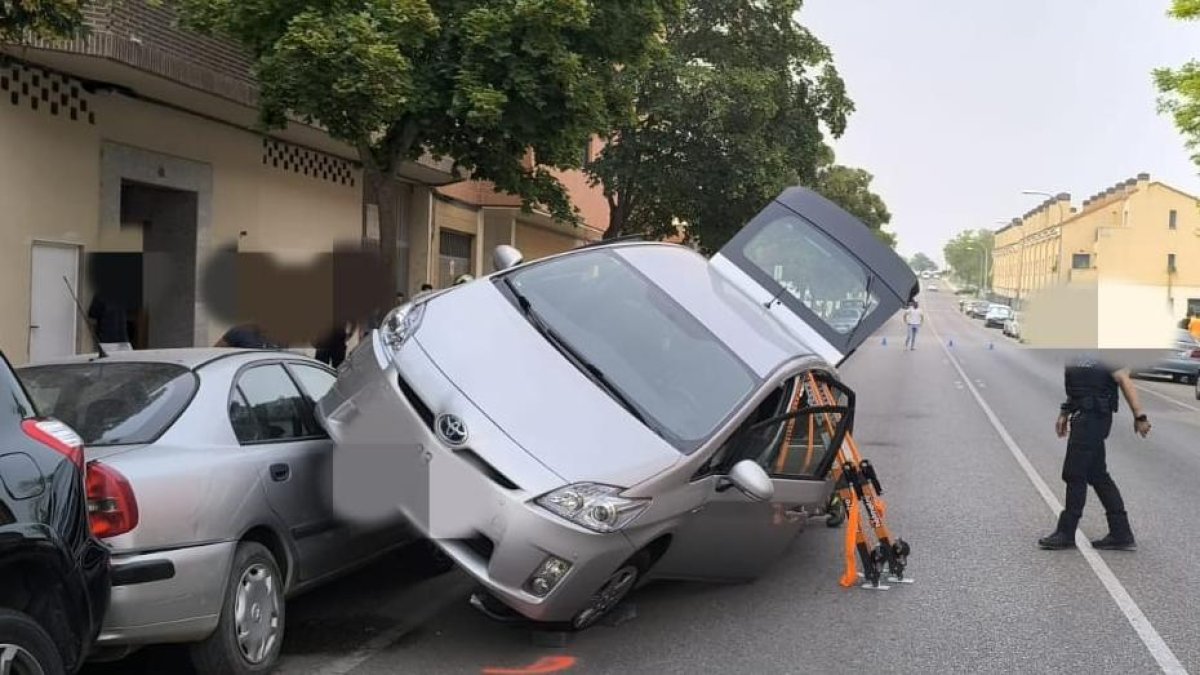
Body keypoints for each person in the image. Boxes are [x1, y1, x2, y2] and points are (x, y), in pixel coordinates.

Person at [1038, 355, 1151, 551]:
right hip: (1082, 416)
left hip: (1094, 418)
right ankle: (1121, 533)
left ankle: (1066, 532)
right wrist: (1065, 412)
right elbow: (1077, 389)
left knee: (1074, 473)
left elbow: (1124, 379)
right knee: (1097, 475)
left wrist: (1140, 416)